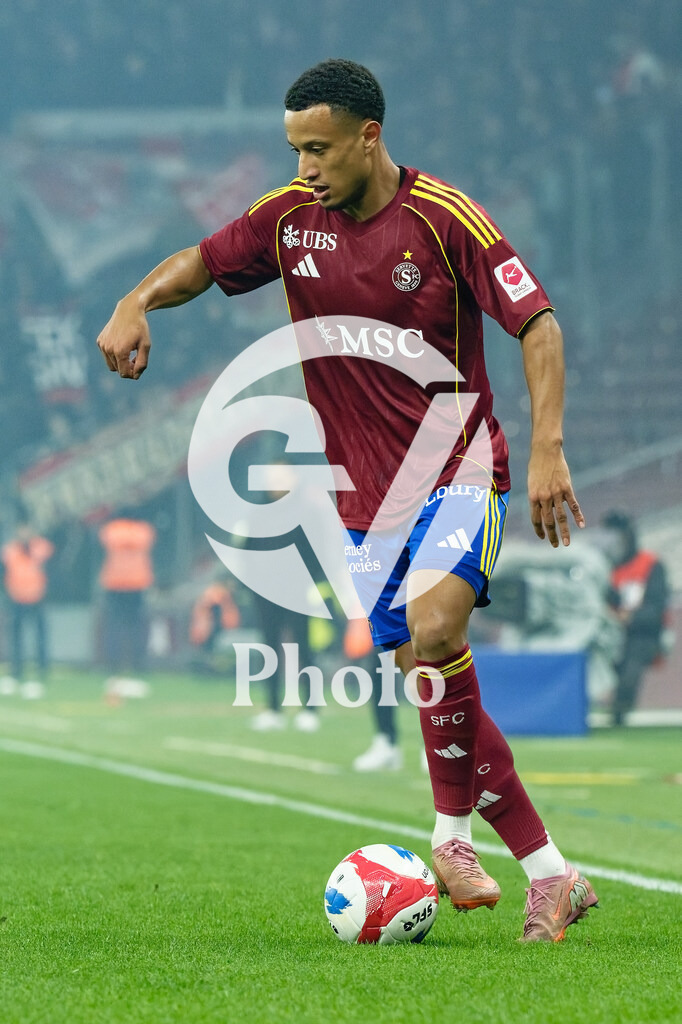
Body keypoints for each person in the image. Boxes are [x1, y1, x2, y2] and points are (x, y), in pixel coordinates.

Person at [97, 58, 598, 942]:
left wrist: (548, 448)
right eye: (296, 149)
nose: (306, 168)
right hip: (363, 500)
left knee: (437, 630)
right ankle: (552, 875)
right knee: (435, 687)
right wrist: (136, 300)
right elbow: (203, 264)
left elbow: (538, 323)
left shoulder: (446, 219)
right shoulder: (289, 218)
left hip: (457, 467)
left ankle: (449, 837)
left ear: (370, 137)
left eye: (320, 149)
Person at [601, 510, 669, 726]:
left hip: (641, 633)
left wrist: (629, 618)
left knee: (629, 670)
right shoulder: (601, 567)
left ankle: (619, 711)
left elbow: (656, 606)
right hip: (607, 631)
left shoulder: (651, 565)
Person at [98, 514, 156, 680]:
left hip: (114, 583)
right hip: (137, 582)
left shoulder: (111, 530)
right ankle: (137, 662)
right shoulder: (143, 530)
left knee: (114, 626)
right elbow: (147, 543)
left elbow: (105, 541)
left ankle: (113, 664)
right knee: (136, 627)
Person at [1, 519, 54, 695]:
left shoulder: (40, 547)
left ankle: (42, 668)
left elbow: (51, 563)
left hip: (37, 598)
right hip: (16, 599)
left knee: (40, 635)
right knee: (16, 637)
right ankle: (16, 670)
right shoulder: (9, 550)